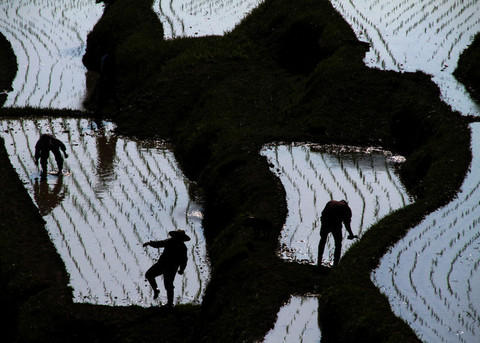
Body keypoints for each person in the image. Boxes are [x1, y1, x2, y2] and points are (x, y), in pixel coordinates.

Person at [143, 229, 190, 307]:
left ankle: (169, 303)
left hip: (170, 267)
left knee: (168, 285)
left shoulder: (181, 246)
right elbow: (159, 243)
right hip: (164, 265)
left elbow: (184, 260)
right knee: (149, 275)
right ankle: (156, 290)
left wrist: (182, 269)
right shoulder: (172, 242)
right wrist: (150, 243)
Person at [317, 200, 358, 267]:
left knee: (323, 239)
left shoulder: (331, 202)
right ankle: (335, 264)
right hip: (335, 223)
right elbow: (347, 224)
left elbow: (323, 214)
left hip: (325, 221)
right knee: (338, 244)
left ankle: (319, 262)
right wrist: (351, 234)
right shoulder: (346, 209)